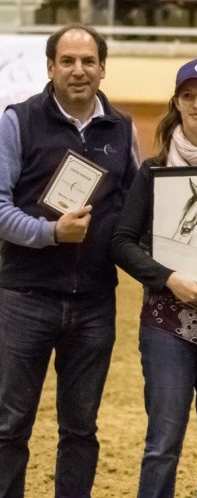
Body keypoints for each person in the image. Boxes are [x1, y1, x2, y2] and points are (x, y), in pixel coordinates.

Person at [0, 24, 138, 497]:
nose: (78, 71)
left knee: (80, 428)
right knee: (9, 427)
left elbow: (137, 209)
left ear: (102, 67)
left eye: (87, 62)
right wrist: (50, 233)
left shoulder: (122, 129)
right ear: (50, 68)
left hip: (95, 305)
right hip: (24, 300)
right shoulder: (17, 121)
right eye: (67, 61)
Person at [110, 58, 197, 498]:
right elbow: (121, 241)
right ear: (176, 103)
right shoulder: (153, 170)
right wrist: (168, 278)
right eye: (188, 96)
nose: (196, 104)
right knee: (162, 444)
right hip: (166, 323)